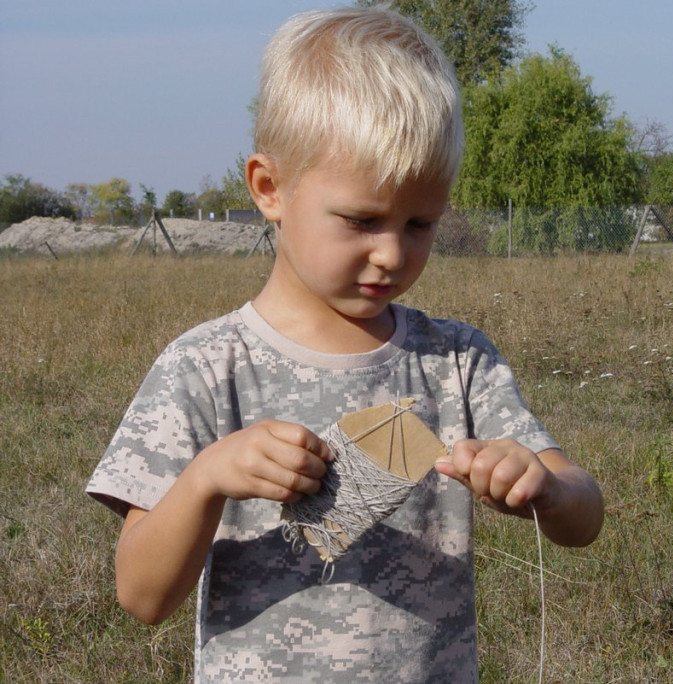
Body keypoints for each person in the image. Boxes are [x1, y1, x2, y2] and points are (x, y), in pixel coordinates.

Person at [86, 6, 603, 682]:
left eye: (421, 222)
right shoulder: (207, 369)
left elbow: (582, 512)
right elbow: (142, 596)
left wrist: (546, 488)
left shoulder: (456, 362)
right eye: (361, 220)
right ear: (270, 189)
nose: (391, 253)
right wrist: (209, 476)